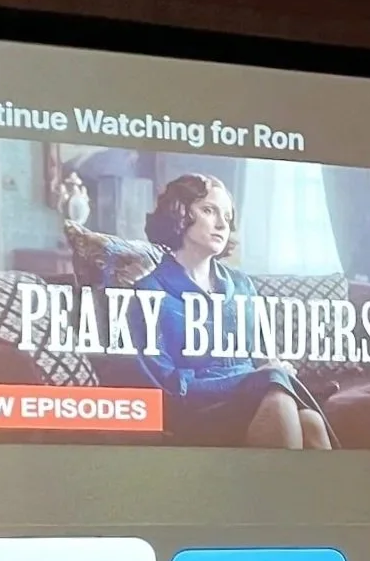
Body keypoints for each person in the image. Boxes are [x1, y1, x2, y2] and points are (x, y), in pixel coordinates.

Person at [131, 174, 333, 449]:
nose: (222, 224)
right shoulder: (149, 291)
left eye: (227, 216)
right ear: (178, 212)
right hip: (195, 413)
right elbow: (164, 385)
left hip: (255, 397)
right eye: (209, 210)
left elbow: (263, 356)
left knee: (310, 421)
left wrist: (274, 368)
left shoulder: (241, 284)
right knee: (277, 397)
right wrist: (254, 379)